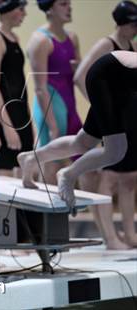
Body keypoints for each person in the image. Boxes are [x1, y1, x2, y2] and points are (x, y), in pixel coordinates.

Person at [18, 51, 137, 214]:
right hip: (106, 76)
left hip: (117, 82)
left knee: (84, 142)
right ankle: (68, 174)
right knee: (115, 151)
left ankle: (32, 158)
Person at [73, 1, 137, 249]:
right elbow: (80, 76)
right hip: (114, 121)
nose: (135, 29)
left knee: (130, 179)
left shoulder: (128, 45)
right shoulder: (106, 44)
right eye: (133, 24)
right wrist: (102, 109)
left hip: (128, 120)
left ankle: (129, 234)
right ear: (122, 22)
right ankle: (110, 237)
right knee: (109, 179)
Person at [27, 0, 81, 185]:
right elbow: (40, 88)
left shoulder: (72, 38)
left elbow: (78, 76)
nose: (70, 8)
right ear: (50, 8)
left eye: (69, 3)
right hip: (51, 106)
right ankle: (46, 213)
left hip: (70, 105)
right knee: (51, 164)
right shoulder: (41, 41)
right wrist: (52, 126)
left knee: (81, 160)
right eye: (63, 4)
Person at [0, 0, 34, 178]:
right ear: (7, 9)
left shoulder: (14, 38)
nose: (24, 14)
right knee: (4, 174)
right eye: (21, 9)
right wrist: (6, 126)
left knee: (24, 172)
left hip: (20, 112)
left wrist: (29, 120)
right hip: (6, 114)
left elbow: (20, 82)